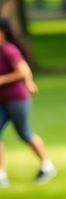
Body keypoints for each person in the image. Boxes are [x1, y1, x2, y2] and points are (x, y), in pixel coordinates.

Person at [0, 18, 57, 187]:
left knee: (24, 133)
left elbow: (23, 70)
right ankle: (1, 174)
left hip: (16, 99)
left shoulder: (8, 49)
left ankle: (47, 165)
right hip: (2, 100)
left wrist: (4, 80)